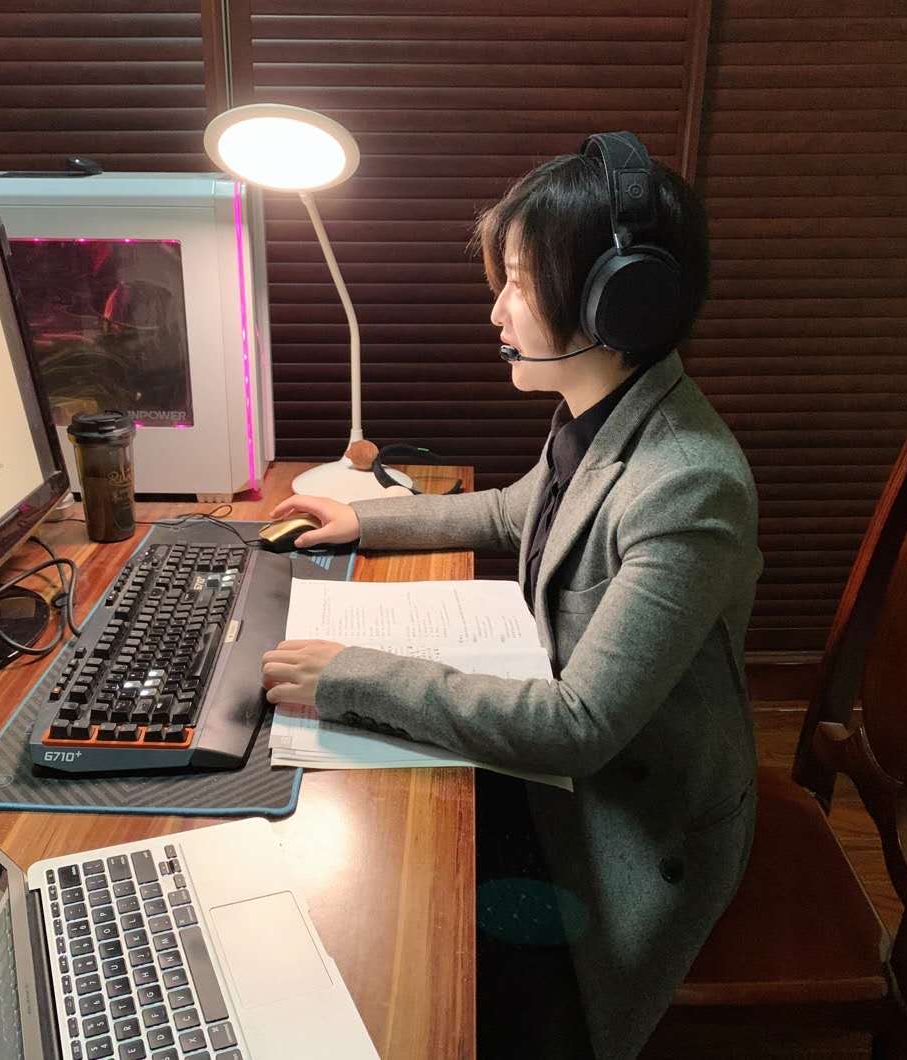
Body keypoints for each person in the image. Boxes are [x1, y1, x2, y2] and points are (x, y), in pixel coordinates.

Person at [261, 133, 762, 1060]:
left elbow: (578, 728)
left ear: (618, 302)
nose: (495, 310)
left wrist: (351, 676)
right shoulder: (605, 415)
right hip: (570, 783)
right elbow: (511, 509)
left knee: (417, 970)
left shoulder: (687, 485)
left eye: (520, 285)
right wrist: (363, 520)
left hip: (631, 831)